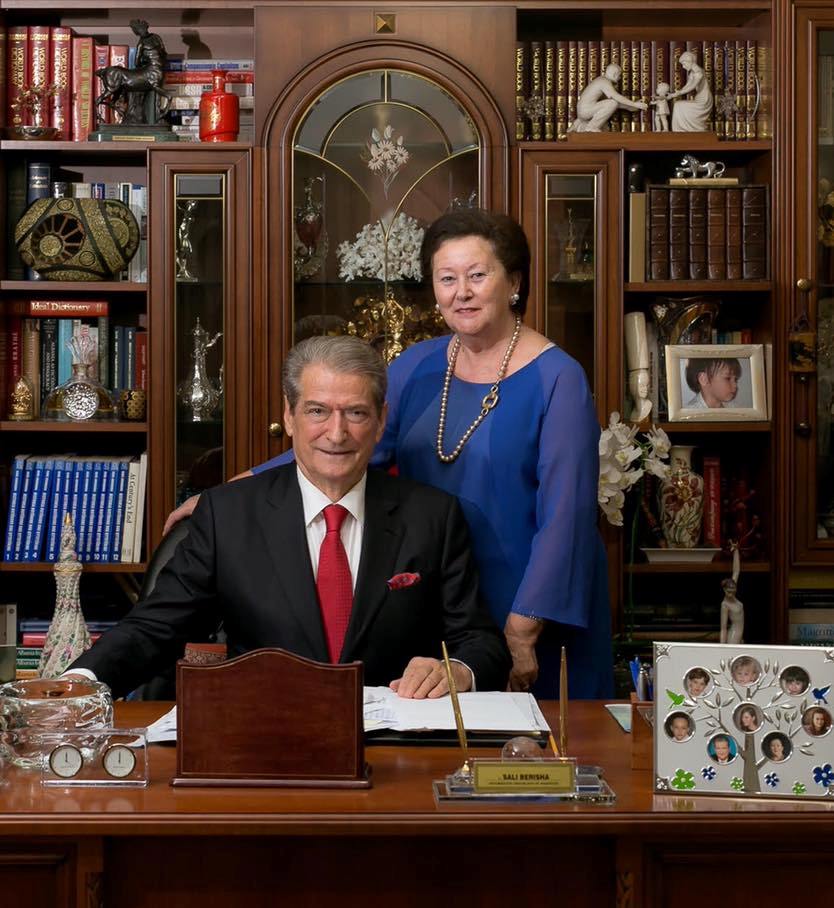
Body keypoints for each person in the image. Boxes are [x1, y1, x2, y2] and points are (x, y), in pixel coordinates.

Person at [164, 208, 613, 698]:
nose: (461, 292)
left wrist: (523, 629)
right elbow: (340, 443)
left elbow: (567, 516)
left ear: (515, 283)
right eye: (447, 278)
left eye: (477, 276)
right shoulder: (416, 366)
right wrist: (236, 491)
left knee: (535, 741)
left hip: (529, 601)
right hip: (435, 596)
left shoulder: (558, 378)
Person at [66, 336, 510, 699]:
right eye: (317, 411)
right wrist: (78, 685)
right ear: (289, 417)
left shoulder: (433, 516)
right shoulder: (227, 515)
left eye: (356, 413)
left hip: (394, 746)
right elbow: (154, 628)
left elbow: (482, 643)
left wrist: (458, 670)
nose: (336, 433)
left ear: (380, 422)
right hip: (267, 741)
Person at [568, 63, 648, 133]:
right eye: (619, 75)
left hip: (582, 113)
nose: (620, 78)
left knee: (606, 126)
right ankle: (591, 127)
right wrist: (634, 104)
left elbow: (613, 102)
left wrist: (630, 107)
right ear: (614, 74)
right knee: (612, 103)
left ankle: (577, 126)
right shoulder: (604, 81)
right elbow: (615, 97)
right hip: (585, 111)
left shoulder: (600, 80)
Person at [667, 50, 713, 132]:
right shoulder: (692, 73)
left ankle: (685, 129)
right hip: (698, 97)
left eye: (684, 64)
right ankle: (682, 130)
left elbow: (692, 86)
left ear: (689, 61)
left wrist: (677, 94)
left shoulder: (698, 72)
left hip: (704, 99)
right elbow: (687, 86)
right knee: (678, 105)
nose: (683, 67)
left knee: (678, 106)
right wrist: (675, 94)